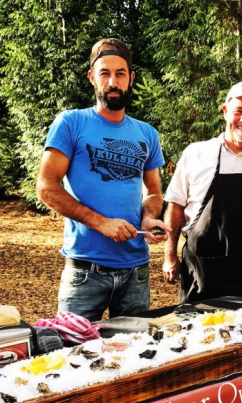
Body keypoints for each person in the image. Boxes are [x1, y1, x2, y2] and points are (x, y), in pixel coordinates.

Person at [37, 38, 169, 321]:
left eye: (120, 74)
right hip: (85, 272)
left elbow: (154, 191)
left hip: (136, 272)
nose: (113, 82)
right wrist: (101, 223)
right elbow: (46, 188)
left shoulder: (147, 134)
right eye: (104, 73)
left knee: (138, 359)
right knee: (72, 355)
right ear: (92, 78)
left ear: (131, 78)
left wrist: (148, 218)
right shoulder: (71, 123)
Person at [163, 80, 242, 303]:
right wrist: (170, 256)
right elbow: (175, 208)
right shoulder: (196, 155)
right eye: (238, 111)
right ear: (225, 112)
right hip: (201, 270)